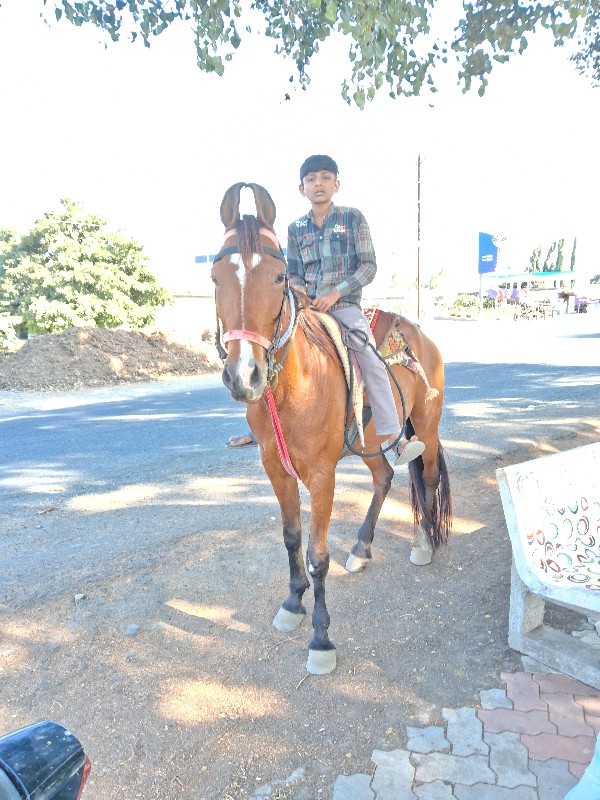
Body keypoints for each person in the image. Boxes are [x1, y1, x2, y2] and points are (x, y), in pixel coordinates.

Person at [286, 153, 424, 467]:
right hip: (306, 308)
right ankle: (265, 431)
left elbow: (368, 266)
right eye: (310, 179)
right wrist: (301, 293)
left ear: (336, 184)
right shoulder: (295, 229)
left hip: (344, 307)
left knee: (371, 360)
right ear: (301, 188)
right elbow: (293, 271)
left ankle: (395, 438)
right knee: (272, 350)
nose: (317, 184)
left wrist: (335, 294)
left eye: (324, 177)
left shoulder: (352, 218)